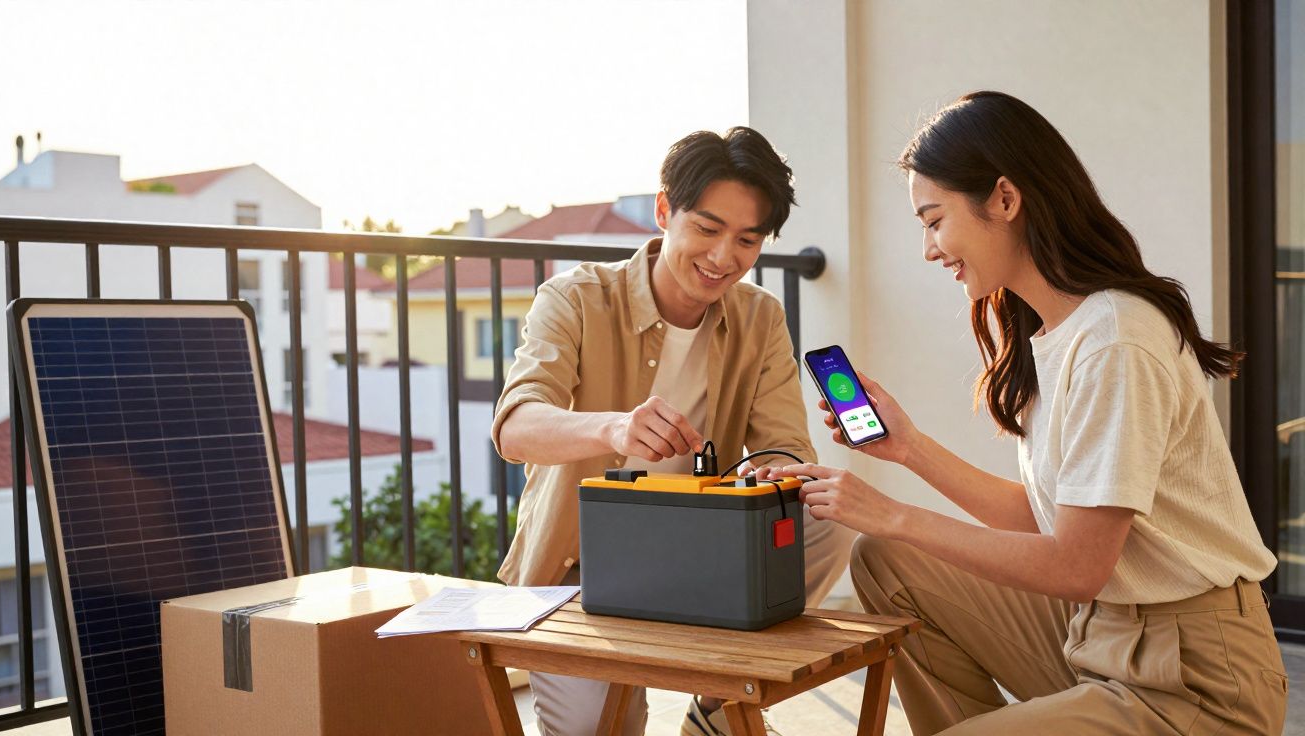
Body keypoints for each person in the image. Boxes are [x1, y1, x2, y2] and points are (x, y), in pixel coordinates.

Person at [774, 91, 1288, 734]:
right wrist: (910, 449)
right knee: (886, 561)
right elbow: (1052, 521)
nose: (929, 249)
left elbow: (1076, 566)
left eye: (934, 220)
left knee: (892, 535)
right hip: (1102, 637)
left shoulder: (1116, 339)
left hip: (1196, 681)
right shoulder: (1055, 332)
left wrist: (895, 513)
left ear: (1005, 199)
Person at [493, 126, 855, 736]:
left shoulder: (760, 317)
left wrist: (773, 472)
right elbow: (515, 426)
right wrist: (613, 429)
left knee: (825, 516)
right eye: (707, 229)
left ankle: (716, 705)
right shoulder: (574, 298)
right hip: (580, 568)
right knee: (594, 730)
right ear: (664, 211)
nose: (723, 257)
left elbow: (789, 448)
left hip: (703, 548)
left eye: (747, 240)